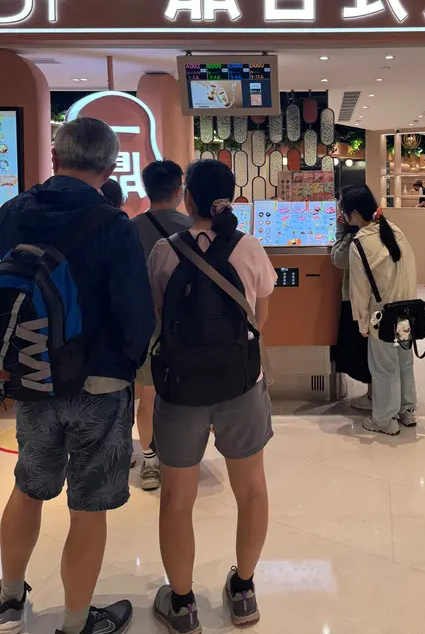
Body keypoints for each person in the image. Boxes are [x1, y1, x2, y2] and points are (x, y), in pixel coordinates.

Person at [0, 118, 155, 634]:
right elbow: (136, 316)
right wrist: (125, 366)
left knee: (27, 488)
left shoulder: (11, 214)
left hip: (33, 376)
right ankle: (74, 624)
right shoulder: (114, 225)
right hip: (101, 385)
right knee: (89, 506)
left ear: (54, 157)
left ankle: (8, 601)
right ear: (110, 168)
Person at [147, 159, 276, 632]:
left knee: (177, 499)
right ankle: (243, 591)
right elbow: (261, 319)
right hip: (241, 383)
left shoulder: (164, 251)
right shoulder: (250, 248)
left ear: (188, 198)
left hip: (181, 388)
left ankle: (182, 604)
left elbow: (158, 318)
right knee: (252, 489)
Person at [132, 160, 191, 492]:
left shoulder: (130, 228)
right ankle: (181, 458)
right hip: (187, 329)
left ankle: (150, 461)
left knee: (148, 396)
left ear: (145, 188)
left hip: (145, 329)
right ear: (179, 190)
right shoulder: (193, 227)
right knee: (184, 398)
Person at [341, 185, 418, 436]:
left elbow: (359, 290)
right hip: (406, 312)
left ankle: (384, 420)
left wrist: (362, 322)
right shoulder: (395, 230)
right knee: (404, 363)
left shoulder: (359, 243)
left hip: (381, 316)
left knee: (384, 368)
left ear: (354, 213)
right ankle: (407, 411)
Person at [331, 198, 372, 411]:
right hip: (374, 301)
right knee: (371, 351)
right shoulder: (382, 229)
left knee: (363, 350)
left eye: (343, 211)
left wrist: (342, 232)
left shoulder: (359, 237)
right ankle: (378, 396)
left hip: (359, 301)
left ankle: (374, 397)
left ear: (354, 212)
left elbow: (339, 259)